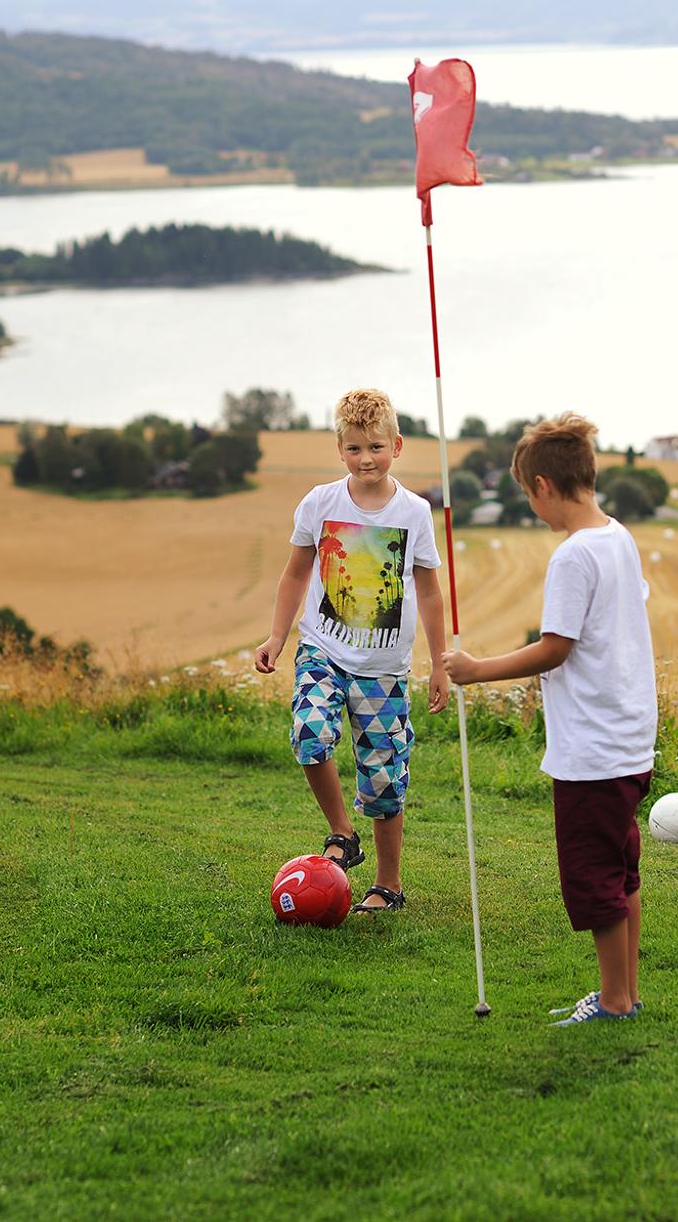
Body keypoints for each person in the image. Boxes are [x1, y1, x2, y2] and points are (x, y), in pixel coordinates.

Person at [444, 414, 656, 1024]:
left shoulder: (573, 557)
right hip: (630, 737)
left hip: (592, 748)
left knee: (596, 879)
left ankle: (615, 1000)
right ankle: (627, 992)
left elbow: (555, 647)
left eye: (525, 495)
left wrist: (476, 669)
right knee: (621, 868)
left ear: (541, 486)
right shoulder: (618, 536)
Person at [255, 388, 448, 913]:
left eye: (377, 448)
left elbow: (429, 590)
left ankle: (388, 885)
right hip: (323, 648)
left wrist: (440, 663)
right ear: (340, 450)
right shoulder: (320, 503)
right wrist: (277, 636)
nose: (367, 459)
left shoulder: (415, 512)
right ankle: (343, 833)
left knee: (384, 777)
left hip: (384, 668)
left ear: (398, 447)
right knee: (310, 734)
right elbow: (296, 572)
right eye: (356, 448)